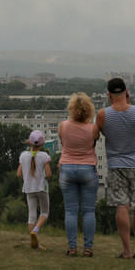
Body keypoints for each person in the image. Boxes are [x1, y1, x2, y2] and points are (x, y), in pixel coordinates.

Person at [96, 78, 135, 259]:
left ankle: (126, 250)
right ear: (127, 92)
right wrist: (129, 103)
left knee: (121, 206)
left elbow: (100, 132)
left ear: (109, 95)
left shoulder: (103, 115)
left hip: (116, 165)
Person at [58, 92, 100, 257]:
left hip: (67, 169)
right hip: (88, 169)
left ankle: (72, 247)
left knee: (70, 211)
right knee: (89, 211)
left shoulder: (63, 126)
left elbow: (63, 141)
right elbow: (94, 142)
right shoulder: (93, 129)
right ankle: (88, 248)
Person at [16, 130, 52, 251]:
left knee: (31, 215)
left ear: (29, 142)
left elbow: (19, 174)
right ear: (42, 144)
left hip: (29, 188)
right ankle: (35, 231)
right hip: (41, 188)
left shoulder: (23, 155)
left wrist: (28, 176)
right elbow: (48, 174)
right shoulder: (44, 156)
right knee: (45, 212)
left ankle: (35, 245)